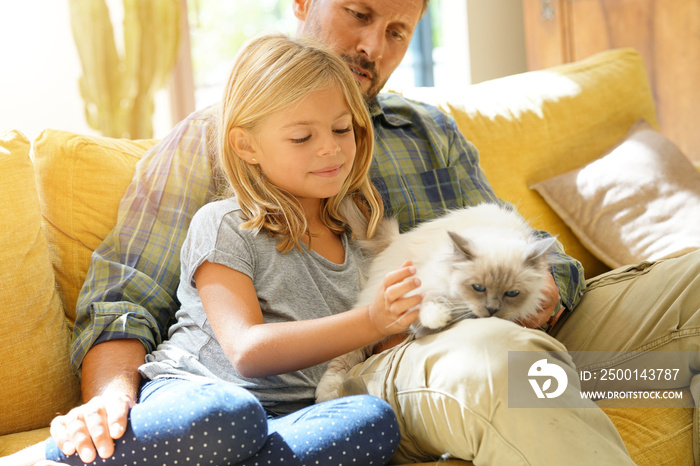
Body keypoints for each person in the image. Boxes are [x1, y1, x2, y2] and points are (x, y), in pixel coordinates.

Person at [23, 0, 700, 464]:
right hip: (397, 352)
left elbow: (516, 244)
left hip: (508, 314)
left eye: (400, 29)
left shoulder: (428, 133)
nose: (374, 45)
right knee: (501, 358)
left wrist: (551, 283)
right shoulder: (214, 143)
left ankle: (595, 377)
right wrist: (110, 408)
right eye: (359, 13)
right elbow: (122, 300)